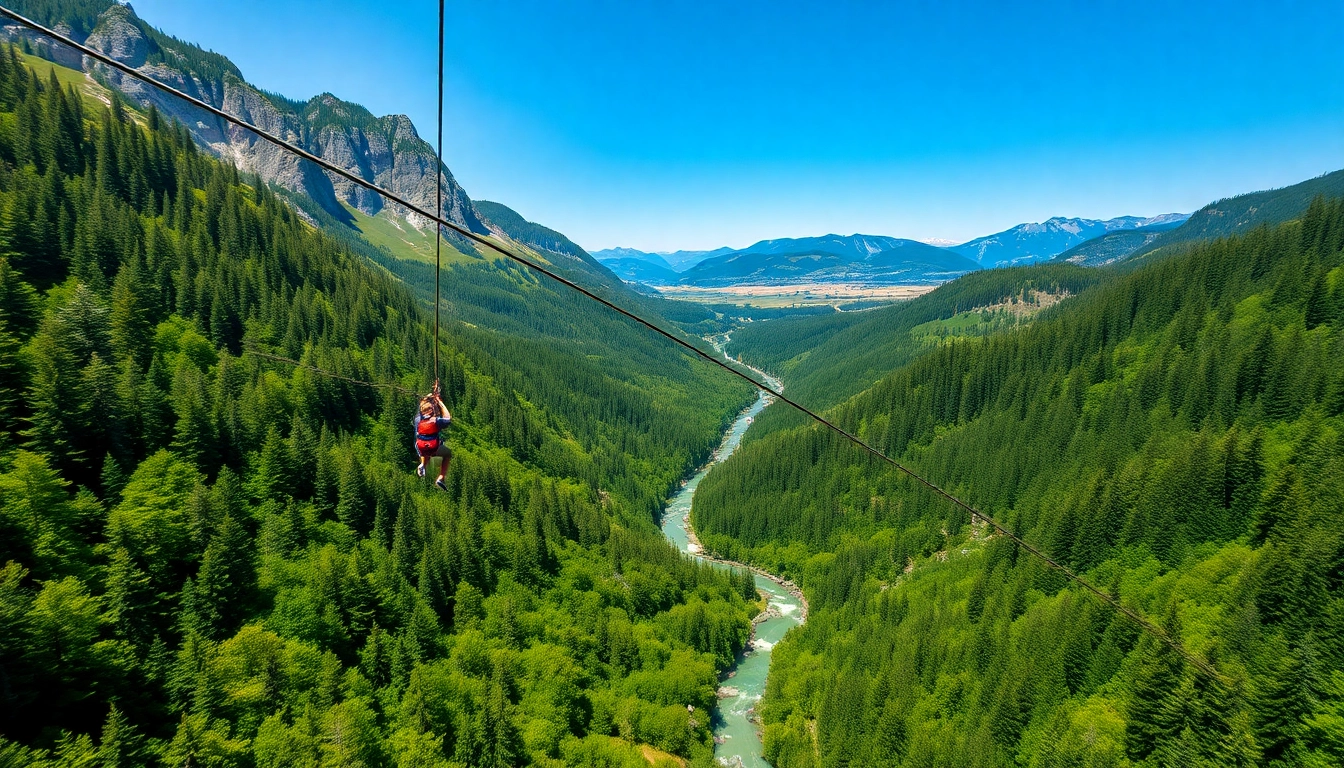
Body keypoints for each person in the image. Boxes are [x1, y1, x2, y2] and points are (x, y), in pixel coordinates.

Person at [414, 386, 452, 490]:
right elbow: (448, 418)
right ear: (431, 410)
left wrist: (432, 394)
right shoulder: (436, 421)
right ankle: (441, 477)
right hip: (433, 447)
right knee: (447, 453)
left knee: (425, 450)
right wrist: (439, 402)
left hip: (420, 446)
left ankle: (423, 465)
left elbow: (423, 403)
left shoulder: (417, 419)